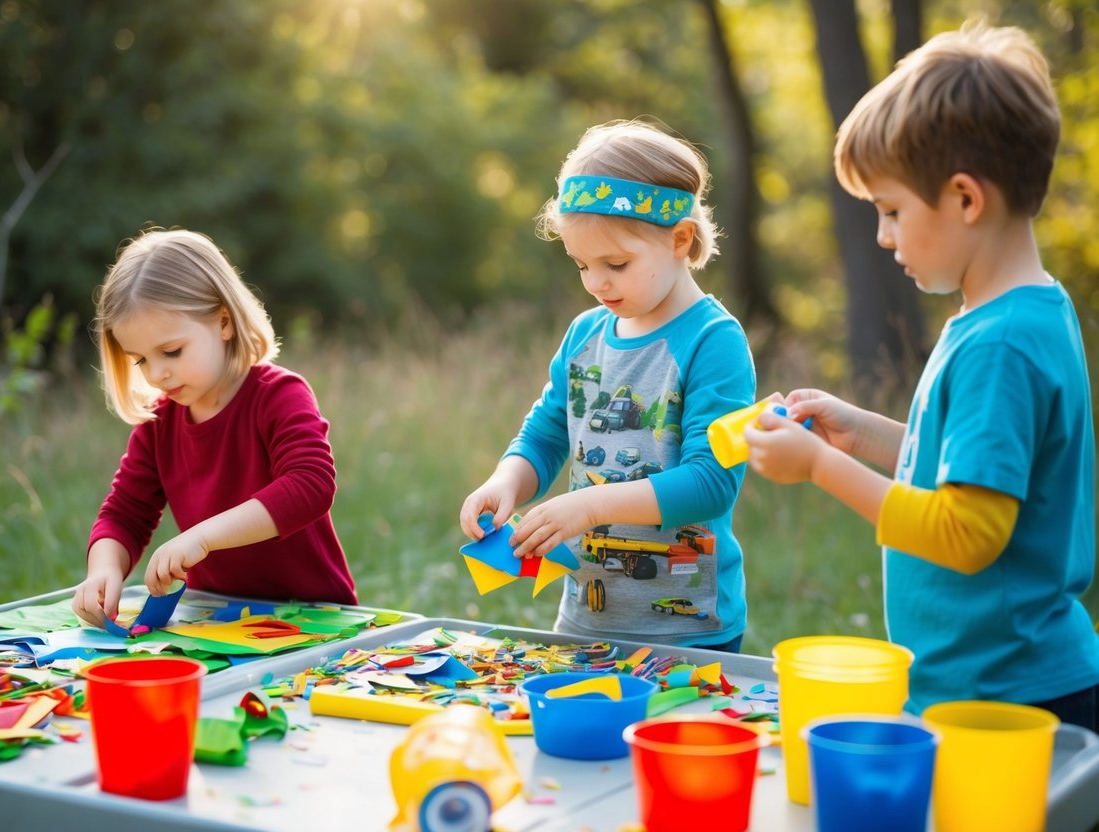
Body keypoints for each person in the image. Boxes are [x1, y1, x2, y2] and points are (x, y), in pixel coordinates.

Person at [744, 23, 1099, 730]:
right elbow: (977, 470)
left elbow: (965, 531)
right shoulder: (1019, 313)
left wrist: (818, 467)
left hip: (1012, 699)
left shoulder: (1001, 344)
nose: (882, 236)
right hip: (993, 681)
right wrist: (863, 434)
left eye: (891, 211)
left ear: (966, 198)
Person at [460, 120, 756, 651]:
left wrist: (592, 506)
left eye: (616, 264)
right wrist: (506, 481)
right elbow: (548, 434)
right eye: (581, 265)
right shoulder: (586, 333)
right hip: (586, 620)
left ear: (679, 239)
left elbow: (712, 481)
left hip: (687, 628)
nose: (596, 283)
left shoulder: (713, 340)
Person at [72, 228, 357, 628]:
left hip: (313, 621)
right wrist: (103, 569)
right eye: (140, 360)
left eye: (171, 352)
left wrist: (203, 537)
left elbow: (311, 484)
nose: (157, 373)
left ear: (223, 322)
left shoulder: (278, 394)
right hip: (217, 623)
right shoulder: (159, 423)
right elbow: (124, 513)